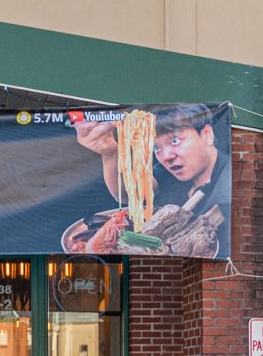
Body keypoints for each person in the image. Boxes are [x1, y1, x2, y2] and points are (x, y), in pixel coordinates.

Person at [70, 104, 231, 258]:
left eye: (175, 141)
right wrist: (110, 154)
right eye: (156, 148)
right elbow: (127, 194)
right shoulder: (173, 173)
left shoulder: (229, 181)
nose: (166, 156)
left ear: (207, 135)